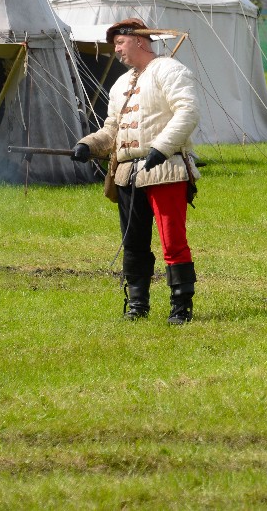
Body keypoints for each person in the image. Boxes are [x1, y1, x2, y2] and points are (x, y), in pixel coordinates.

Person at [71, 18, 201, 325]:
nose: (116, 50)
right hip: (127, 173)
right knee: (133, 243)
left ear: (139, 40)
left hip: (165, 169)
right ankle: (137, 305)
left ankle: (181, 308)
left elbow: (188, 111)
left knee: (172, 241)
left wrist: (161, 148)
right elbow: (112, 130)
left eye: (120, 42)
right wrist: (88, 145)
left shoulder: (169, 70)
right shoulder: (120, 84)